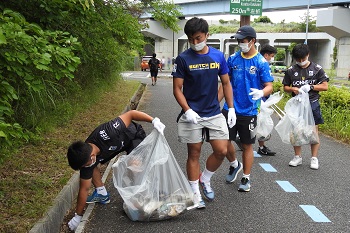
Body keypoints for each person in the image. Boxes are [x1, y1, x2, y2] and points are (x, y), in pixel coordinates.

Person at [172, 17, 235, 208]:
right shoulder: (183, 59)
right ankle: (194, 193)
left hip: (214, 113)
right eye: (191, 39)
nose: (195, 43)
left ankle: (205, 179)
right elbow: (177, 89)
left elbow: (225, 83)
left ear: (207, 35)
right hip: (193, 115)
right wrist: (187, 110)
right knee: (194, 153)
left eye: (199, 38)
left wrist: (230, 107)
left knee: (222, 150)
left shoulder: (217, 56)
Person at [66, 110, 165, 231]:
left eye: (86, 164)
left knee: (134, 166)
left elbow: (131, 114)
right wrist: (78, 216)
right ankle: (102, 193)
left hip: (133, 136)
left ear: (92, 155)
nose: (86, 166)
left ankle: (144, 193)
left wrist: (153, 120)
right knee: (90, 168)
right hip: (115, 147)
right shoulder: (86, 158)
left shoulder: (108, 132)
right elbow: (84, 188)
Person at [219, 25, 273, 192]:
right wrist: (215, 104)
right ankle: (235, 165)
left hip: (249, 110)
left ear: (252, 41)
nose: (240, 43)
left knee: (247, 145)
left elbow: (269, 85)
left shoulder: (261, 62)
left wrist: (261, 92)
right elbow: (225, 83)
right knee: (222, 142)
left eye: (243, 41)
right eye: (238, 41)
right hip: (230, 108)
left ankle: (246, 177)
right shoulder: (233, 59)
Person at [282, 43, 329, 170]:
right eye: (298, 59)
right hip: (297, 105)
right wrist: (293, 89)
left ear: (308, 55)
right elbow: (285, 87)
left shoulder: (317, 69)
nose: (301, 62)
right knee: (296, 131)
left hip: (312, 103)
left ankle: (314, 158)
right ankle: (297, 156)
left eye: (303, 59)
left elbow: (325, 86)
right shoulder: (291, 71)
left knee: (313, 131)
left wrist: (311, 87)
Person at [257, 44, 278, 156]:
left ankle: (261, 146)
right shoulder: (261, 64)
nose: (272, 58)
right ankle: (259, 146)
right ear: (266, 55)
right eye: (272, 56)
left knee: (261, 123)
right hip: (258, 98)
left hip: (262, 98)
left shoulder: (260, 63)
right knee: (260, 123)